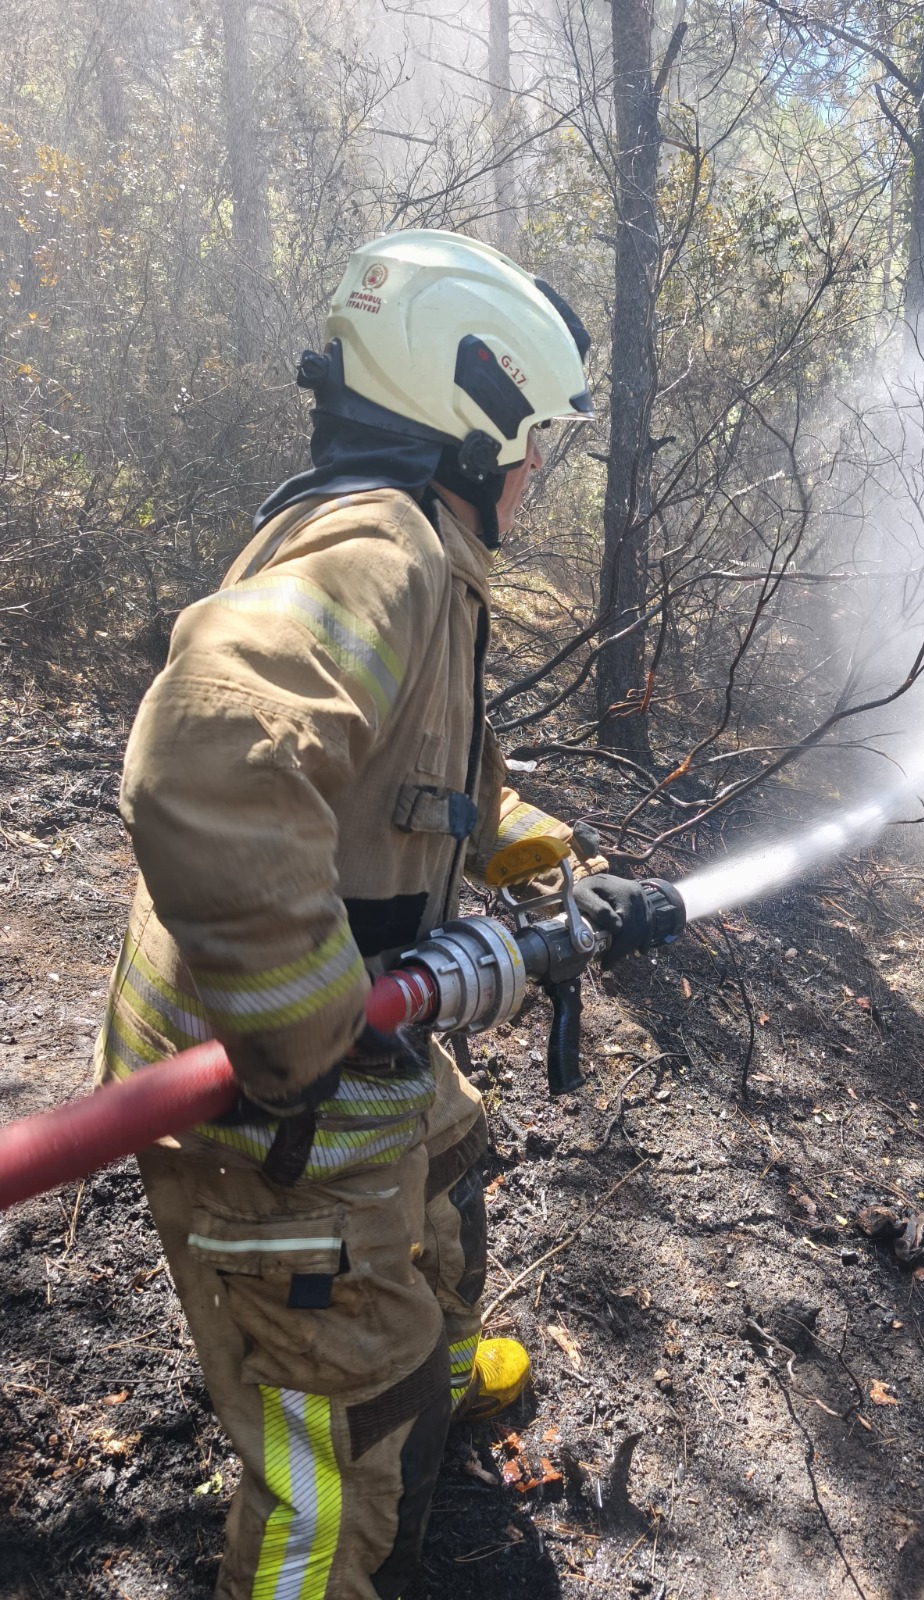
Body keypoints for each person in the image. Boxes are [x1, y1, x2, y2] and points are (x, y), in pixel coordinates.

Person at [94, 230, 655, 1600]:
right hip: (259, 1088)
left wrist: (531, 856)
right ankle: (366, 1424)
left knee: (453, 1167)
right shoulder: (379, 549)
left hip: (346, 1037)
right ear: (471, 423)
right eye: (536, 442)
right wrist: (303, 1029)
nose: (541, 473)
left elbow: (412, 779)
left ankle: (440, 1380)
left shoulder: (420, 547)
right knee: (331, 1452)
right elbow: (206, 758)